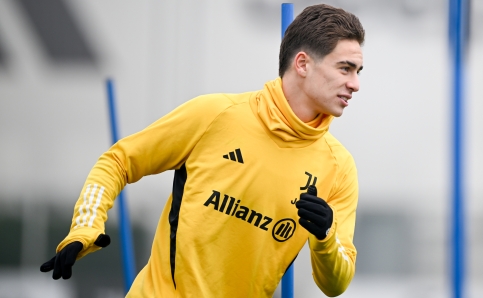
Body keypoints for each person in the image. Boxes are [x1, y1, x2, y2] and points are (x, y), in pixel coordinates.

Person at [40, 4, 365, 297]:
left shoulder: (338, 167)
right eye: (345, 68)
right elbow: (118, 161)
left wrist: (325, 236)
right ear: (303, 63)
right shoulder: (216, 115)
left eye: (357, 72)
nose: (355, 84)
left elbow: (336, 284)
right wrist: (85, 226)